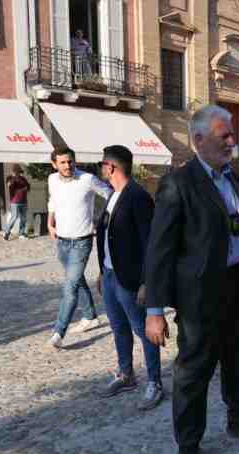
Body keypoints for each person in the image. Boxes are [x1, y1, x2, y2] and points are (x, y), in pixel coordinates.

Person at [144, 105, 239, 454]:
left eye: (232, 135)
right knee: (194, 371)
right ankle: (189, 446)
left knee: (236, 359)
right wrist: (154, 309)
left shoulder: (230, 177)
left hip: (234, 283)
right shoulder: (178, 184)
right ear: (199, 140)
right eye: (225, 137)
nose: (232, 142)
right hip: (199, 295)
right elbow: (159, 250)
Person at [94, 145, 163, 410]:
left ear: (111, 167)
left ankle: (155, 382)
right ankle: (126, 375)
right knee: (118, 327)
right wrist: (102, 270)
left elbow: (150, 243)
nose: (101, 169)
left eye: (102, 164)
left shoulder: (138, 197)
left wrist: (147, 281)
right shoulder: (112, 195)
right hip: (111, 275)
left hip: (131, 278)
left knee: (143, 330)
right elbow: (107, 235)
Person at [47, 147, 111, 349]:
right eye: (63, 162)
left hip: (82, 241)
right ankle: (90, 316)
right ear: (54, 164)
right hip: (62, 241)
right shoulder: (52, 180)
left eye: (70, 161)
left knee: (70, 287)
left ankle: (58, 331)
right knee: (77, 280)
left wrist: (102, 219)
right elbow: (53, 201)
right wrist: (50, 222)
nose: (67, 165)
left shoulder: (87, 179)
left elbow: (110, 194)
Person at [3, 164, 30, 240]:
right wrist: (14, 178)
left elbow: (28, 187)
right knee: (14, 217)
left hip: (24, 201)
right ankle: (6, 232)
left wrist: (26, 187)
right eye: (16, 171)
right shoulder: (10, 178)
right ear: (13, 171)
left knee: (23, 218)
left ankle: (22, 234)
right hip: (14, 202)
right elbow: (9, 185)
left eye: (19, 172)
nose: (18, 173)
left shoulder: (23, 179)